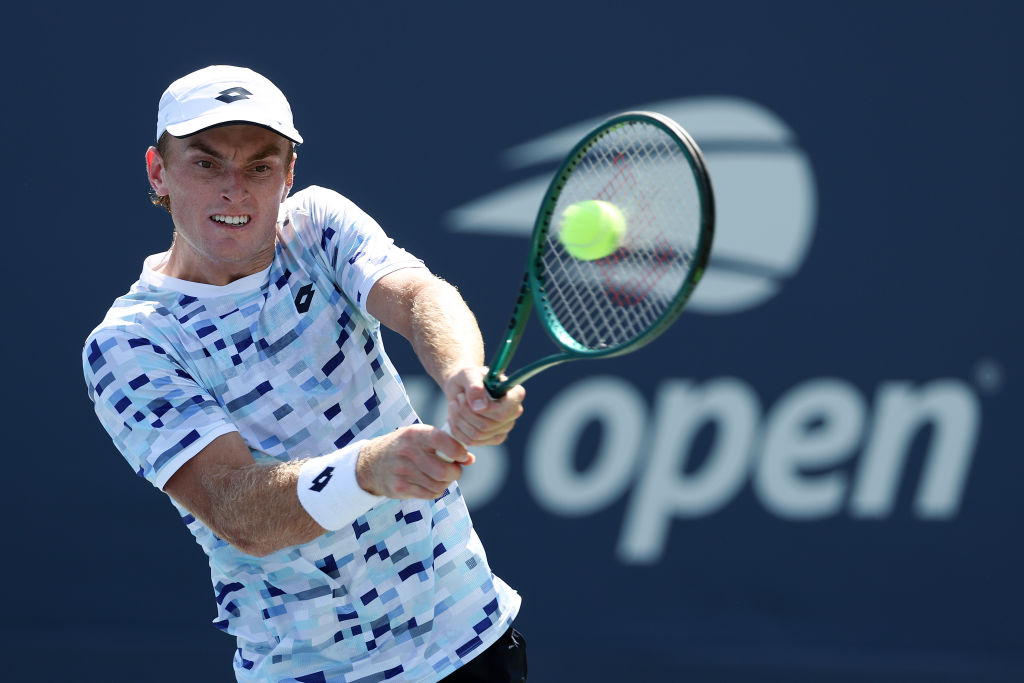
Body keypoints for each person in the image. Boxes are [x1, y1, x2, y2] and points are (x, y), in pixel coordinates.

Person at [82, 65, 528, 682]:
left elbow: (416, 295)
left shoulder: (317, 227)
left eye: (259, 167)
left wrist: (462, 376)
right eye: (207, 164)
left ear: (288, 174)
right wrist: (368, 470)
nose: (235, 190)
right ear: (159, 171)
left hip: (471, 639)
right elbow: (235, 509)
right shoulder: (129, 343)